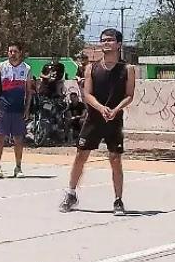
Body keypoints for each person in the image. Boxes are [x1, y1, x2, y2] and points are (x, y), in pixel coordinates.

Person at [59, 28, 137, 216]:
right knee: (81, 155)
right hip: (94, 119)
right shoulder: (91, 68)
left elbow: (129, 95)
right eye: (103, 40)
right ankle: (71, 194)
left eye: (110, 40)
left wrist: (115, 109)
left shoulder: (128, 69)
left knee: (115, 158)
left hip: (114, 119)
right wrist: (101, 108)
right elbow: (87, 94)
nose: (105, 43)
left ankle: (118, 201)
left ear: (118, 44)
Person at [0, 41, 33, 179]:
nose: (12, 54)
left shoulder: (26, 69)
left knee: (18, 139)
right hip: (3, 108)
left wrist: (27, 109)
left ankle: (18, 167)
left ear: (20, 53)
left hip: (18, 109)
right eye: (10, 51)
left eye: (15, 51)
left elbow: (29, 91)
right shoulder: (0, 67)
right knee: (0, 138)